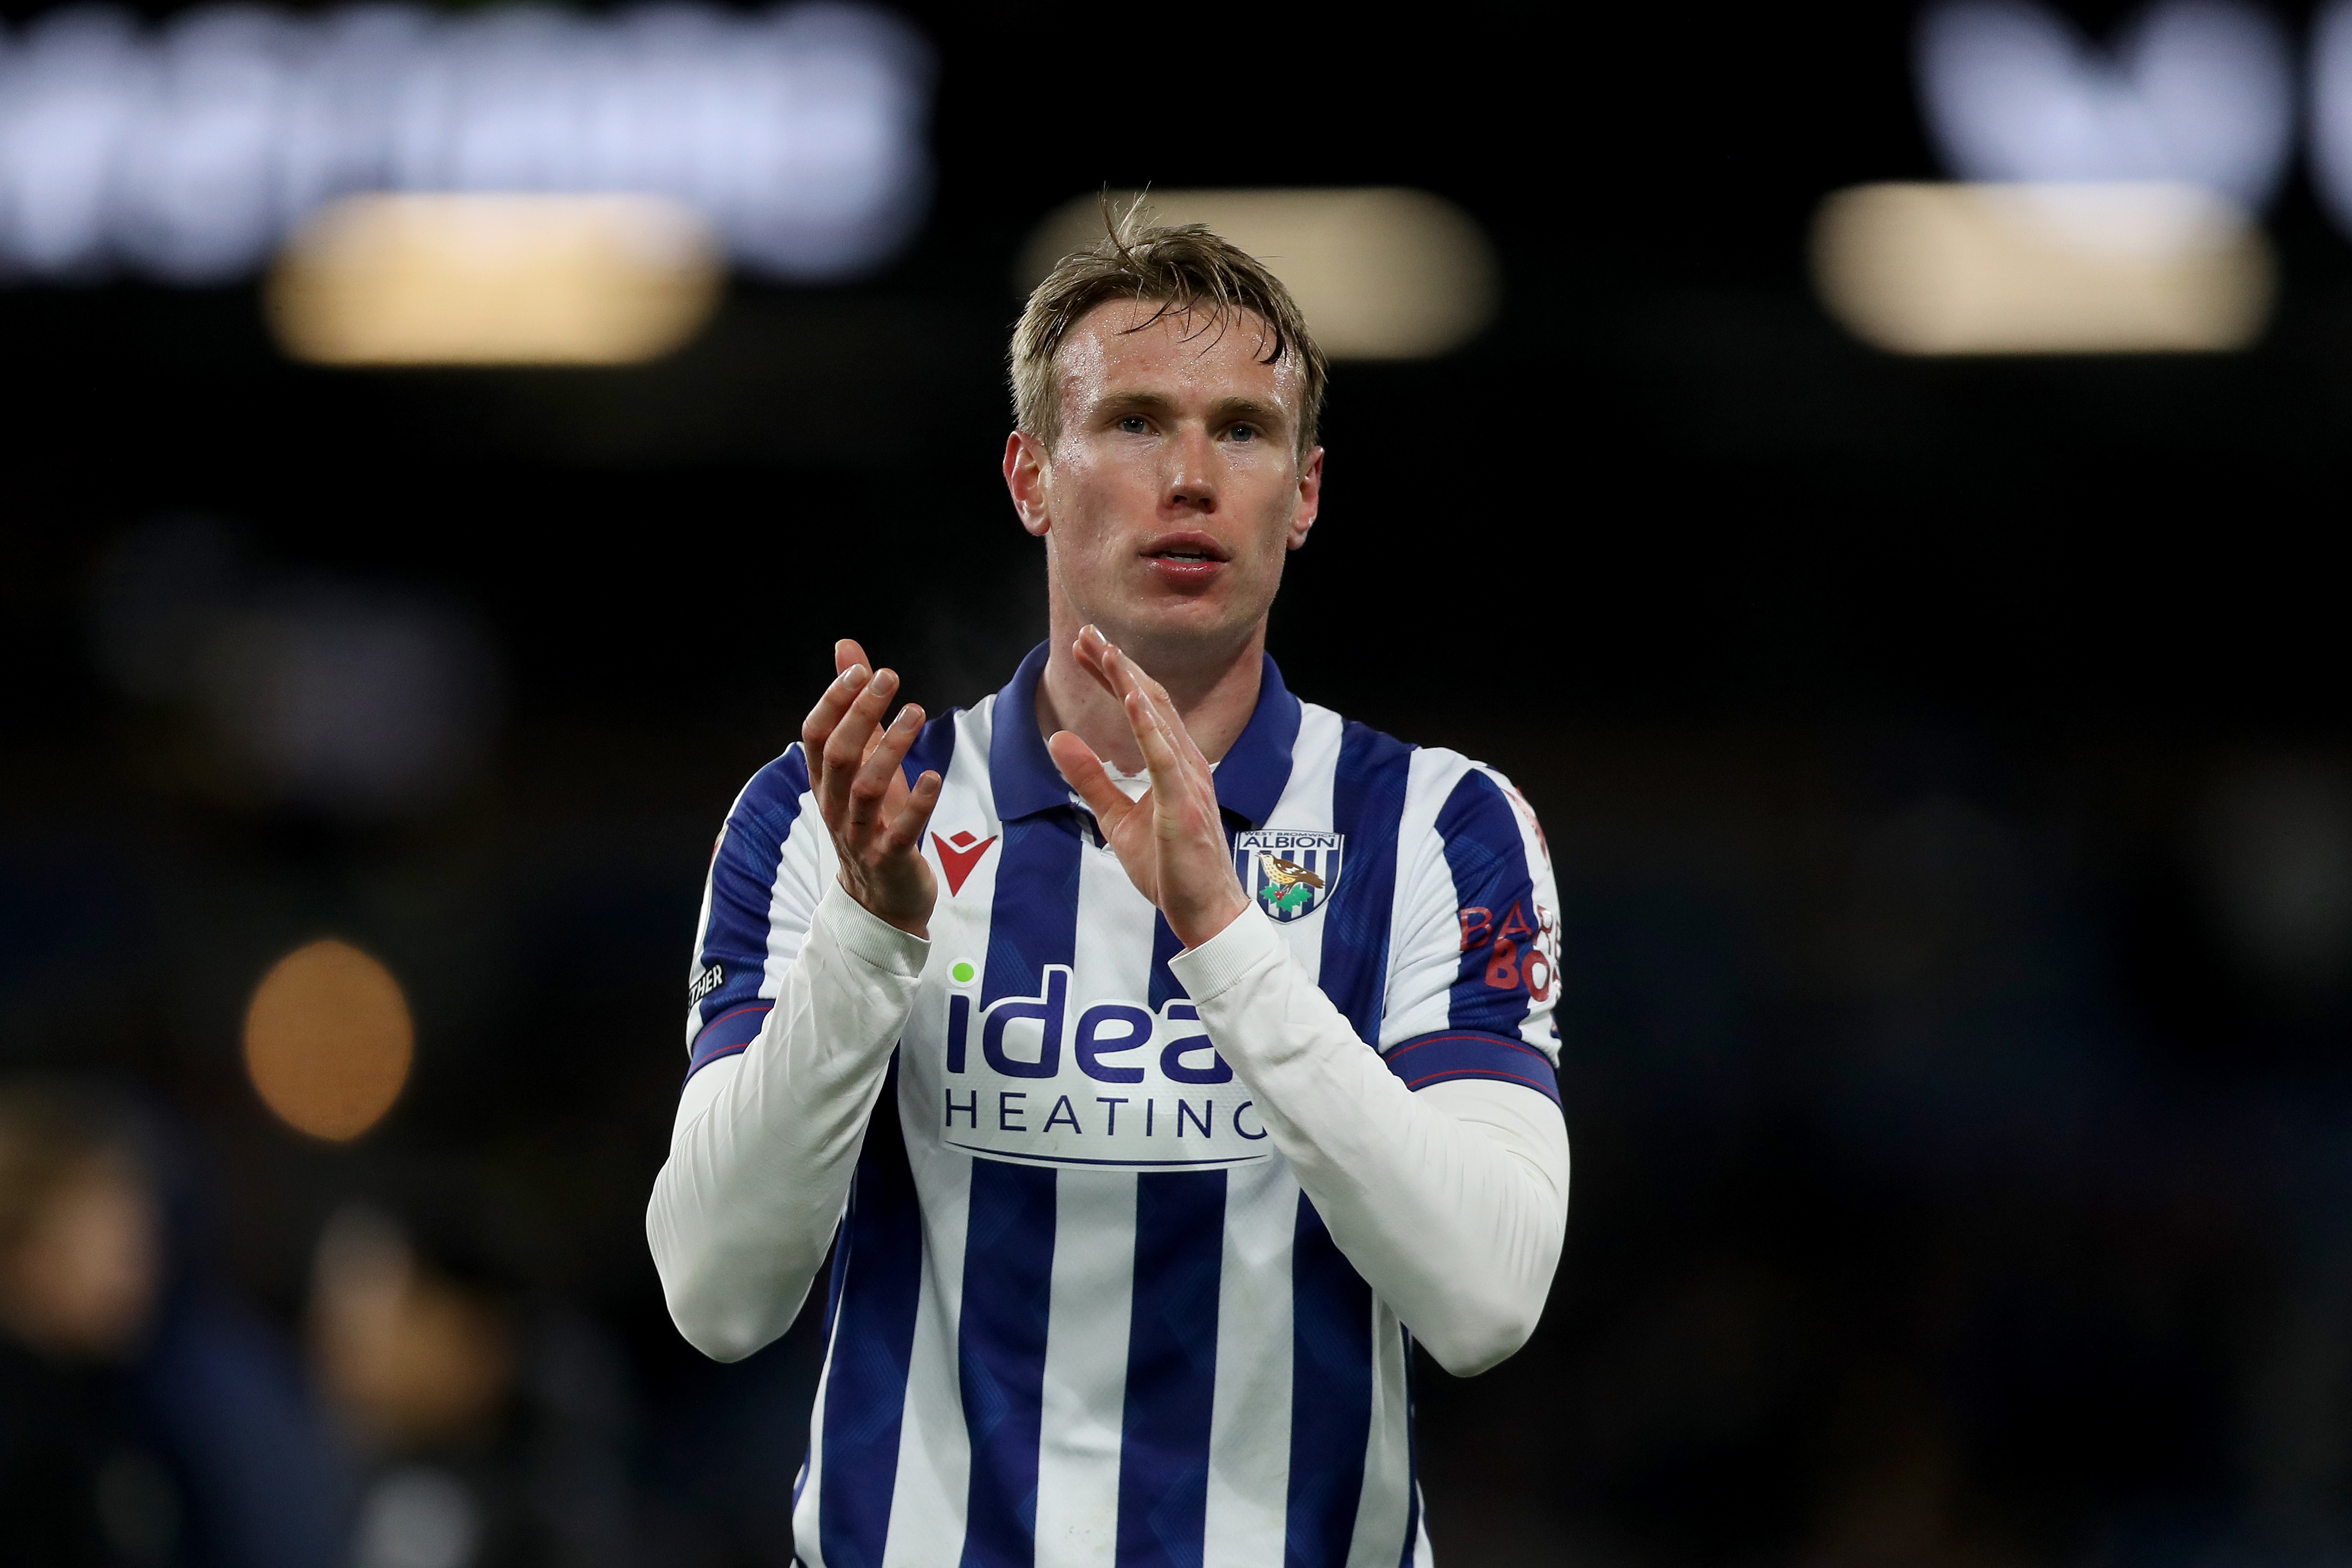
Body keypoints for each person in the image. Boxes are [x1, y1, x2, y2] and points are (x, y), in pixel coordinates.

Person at [647, 210, 1571, 1566]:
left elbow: (1485, 1298)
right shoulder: (828, 819)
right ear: (1029, 473)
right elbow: (718, 1294)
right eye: (1134, 420)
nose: (1190, 476)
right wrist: (869, 933)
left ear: (1304, 491)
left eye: (1243, 430)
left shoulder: (1442, 825)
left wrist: (1219, 931)